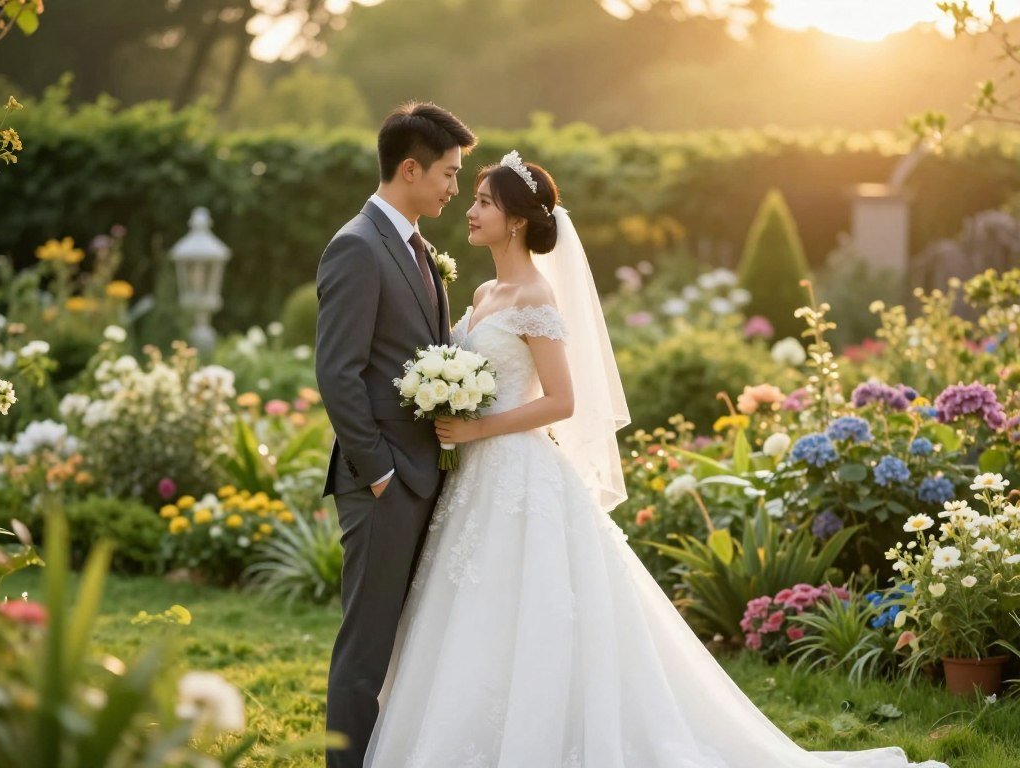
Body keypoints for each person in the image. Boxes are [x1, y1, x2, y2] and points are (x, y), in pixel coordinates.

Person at [361, 150, 950, 768]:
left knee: (530, 608)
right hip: (476, 478)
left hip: (516, 469)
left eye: (484, 201)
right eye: (474, 198)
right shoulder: (483, 291)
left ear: (515, 221)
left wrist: (478, 427)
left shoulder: (536, 296)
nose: (471, 210)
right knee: (470, 611)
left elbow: (562, 401)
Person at [314, 101, 476, 768]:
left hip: (421, 475)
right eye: (448, 172)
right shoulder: (357, 246)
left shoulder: (417, 247)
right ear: (410, 168)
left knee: (404, 641)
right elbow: (337, 372)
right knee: (367, 647)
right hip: (382, 483)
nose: (454, 187)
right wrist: (378, 470)